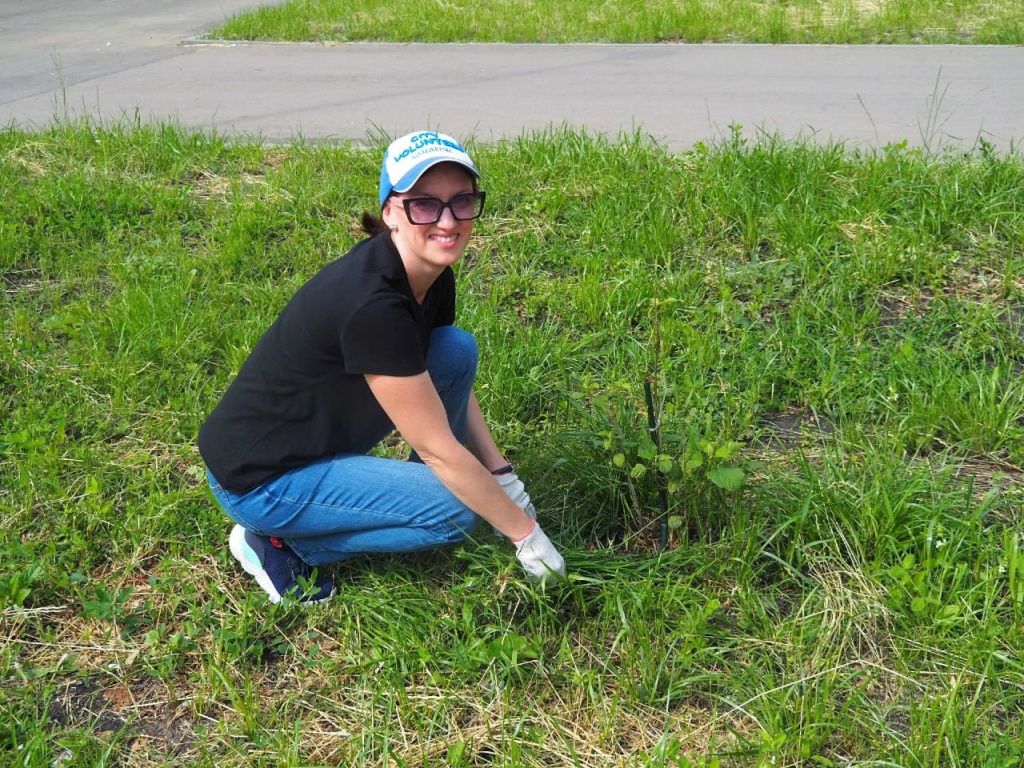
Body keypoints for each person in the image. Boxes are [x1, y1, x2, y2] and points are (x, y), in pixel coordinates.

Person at [198, 131, 566, 604]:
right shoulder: (372, 305)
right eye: (425, 205)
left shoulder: (429, 274)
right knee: (456, 513)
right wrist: (526, 536)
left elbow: (442, 380)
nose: (448, 221)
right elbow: (438, 447)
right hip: (261, 480)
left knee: (453, 350)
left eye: (462, 201)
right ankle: (280, 544)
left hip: (318, 438)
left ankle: (417, 495)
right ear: (391, 211)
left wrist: (500, 473)